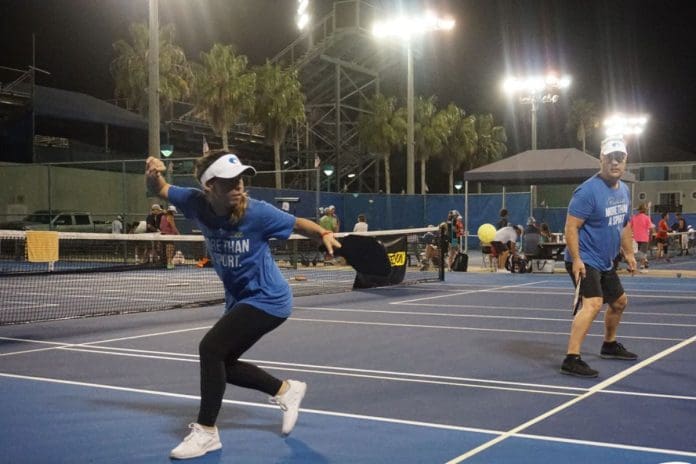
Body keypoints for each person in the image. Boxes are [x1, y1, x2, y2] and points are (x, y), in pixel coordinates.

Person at [145, 150, 341, 459]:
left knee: (210, 349)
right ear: (210, 187)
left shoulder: (258, 212)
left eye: (240, 180)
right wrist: (153, 173)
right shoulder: (195, 202)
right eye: (229, 182)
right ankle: (286, 391)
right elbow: (160, 189)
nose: (239, 186)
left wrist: (324, 234)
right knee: (222, 364)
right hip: (240, 300)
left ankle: (207, 432)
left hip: (269, 298)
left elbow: (299, 224)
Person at [560, 136, 638, 378]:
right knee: (593, 303)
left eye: (620, 158)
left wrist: (629, 252)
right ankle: (571, 358)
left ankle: (609, 345)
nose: (615, 163)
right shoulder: (587, 191)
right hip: (584, 258)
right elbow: (570, 228)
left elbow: (624, 225)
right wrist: (577, 260)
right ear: (601, 160)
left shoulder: (624, 190)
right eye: (610, 158)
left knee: (619, 302)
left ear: (625, 161)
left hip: (606, 261)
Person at [630, 203, 654, 270]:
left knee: (639, 252)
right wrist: (651, 236)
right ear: (645, 210)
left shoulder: (634, 217)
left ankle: (644, 262)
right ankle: (642, 265)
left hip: (636, 238)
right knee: (642, 253)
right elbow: (651, 228)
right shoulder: (647, 218)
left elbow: (630, 227)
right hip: (644, 238)